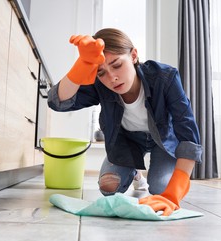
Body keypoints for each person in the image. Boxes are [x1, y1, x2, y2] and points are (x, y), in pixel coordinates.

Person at [47, 28, 202, 216]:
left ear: (134, 55)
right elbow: (58, 102)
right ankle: (135, 171)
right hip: (127, 141)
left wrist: (173, 193)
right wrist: (81, 66)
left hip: (163, 142)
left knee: (162, 189)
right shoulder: (101, 85)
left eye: (117, 65)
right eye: (101, 72)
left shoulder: (165, 77)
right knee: (108, 188)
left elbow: (188, 136)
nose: (112, 77)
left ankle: (145, 175)